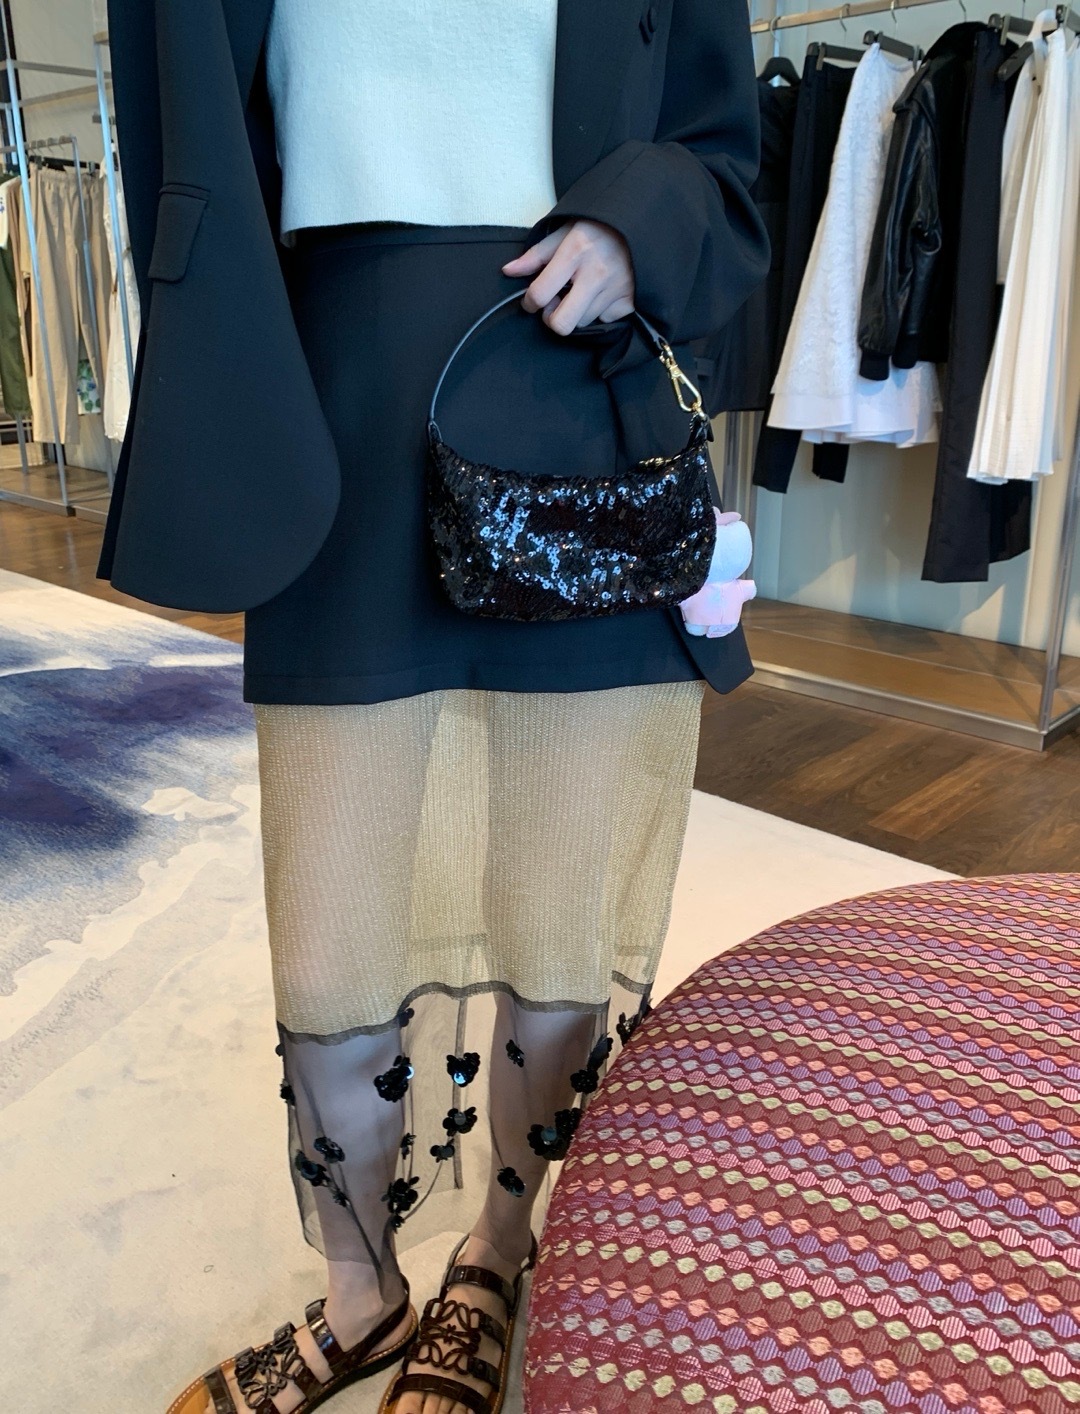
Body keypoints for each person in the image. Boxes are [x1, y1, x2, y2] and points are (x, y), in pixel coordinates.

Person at [99, 2, 768, 1411]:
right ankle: (362, 1292)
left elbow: (724, 158)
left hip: (577, 396)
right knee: (330, 908)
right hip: (323, 402)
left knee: (557, 896)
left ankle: (498, 1258)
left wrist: (636, 226)